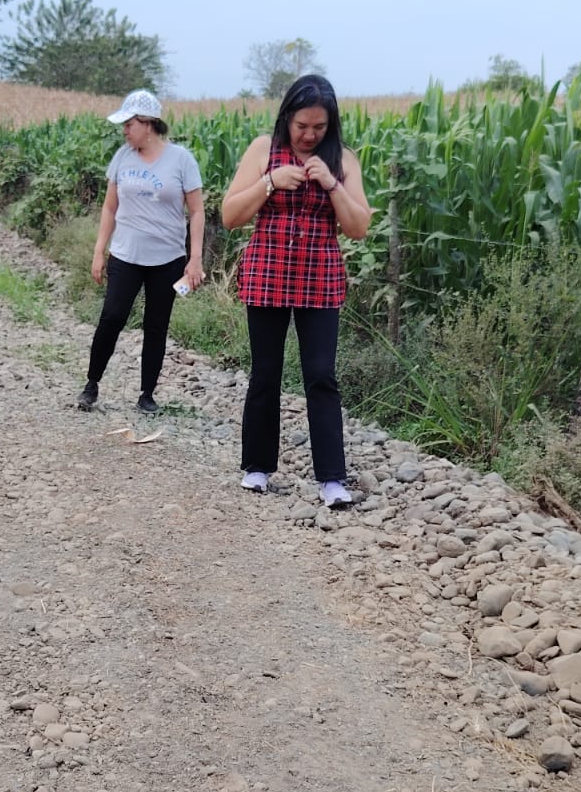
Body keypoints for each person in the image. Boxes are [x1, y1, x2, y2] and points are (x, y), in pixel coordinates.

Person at [221, 74, 371, 508]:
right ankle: (257, 468)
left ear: (331, 124)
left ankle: (332, 479)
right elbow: (230, 215)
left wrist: (332, 184)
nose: (309, 135)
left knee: (321, 376)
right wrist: (269, 182)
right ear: (286, 117)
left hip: (320, 279)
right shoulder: (262, 150)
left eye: (319, 127)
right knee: (265, 373)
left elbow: (358, 227)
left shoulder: (343, 159)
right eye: (301, 125)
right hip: (267, 274)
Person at [78, 89, 205, 414]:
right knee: (112, 317)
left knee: (156, 325)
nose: (124, 130)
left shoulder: (181, 160)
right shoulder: (122, 157)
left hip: (168, 259)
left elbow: (197, 212)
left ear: (148, 124)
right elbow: (109, 207)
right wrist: (99, 250)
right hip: (125, 255)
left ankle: (147, 393)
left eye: (129, 124)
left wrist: (195, 259)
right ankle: (91, 384)